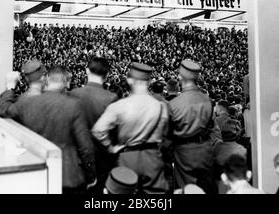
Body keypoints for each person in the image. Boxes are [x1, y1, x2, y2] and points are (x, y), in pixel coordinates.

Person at [0, 67, 96, 193]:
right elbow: (86, 147)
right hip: (68, 176)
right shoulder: (73, 105)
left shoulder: (27, 102)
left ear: (47, 80)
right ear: (66, 82)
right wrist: (91, 175)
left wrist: (10, 86)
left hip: (37, 172)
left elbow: (4, 111)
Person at [92, 62, 169, 194]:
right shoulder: (161, 107)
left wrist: (110, 147)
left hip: (127, 156)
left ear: (130, 80)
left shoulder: (119, 106)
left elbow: (98, 130)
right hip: (153, 158)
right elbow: (164, 135)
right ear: (149, 82)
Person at [69, 56, 118, 193]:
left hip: (77, 159)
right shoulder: (111, 98)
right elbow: (114, 133)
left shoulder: (72, 94)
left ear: (86, 71)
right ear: (107, 75)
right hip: (101, 159)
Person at [169, 59, 216, 194]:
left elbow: (168, 133)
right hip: (206, 149)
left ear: (180, 77)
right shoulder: (207, 99)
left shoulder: (174, 104)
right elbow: (211, 125)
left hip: (184, 153)